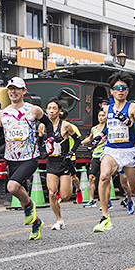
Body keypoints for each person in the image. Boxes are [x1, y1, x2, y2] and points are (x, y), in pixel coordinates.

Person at [0, 77, 56, 240]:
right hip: (11, 159)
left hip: (29, 157)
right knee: (20, 194)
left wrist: (49, 140)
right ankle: (36, 223)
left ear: (24, 91)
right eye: (10, 88)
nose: (13, 91)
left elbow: (48, 124)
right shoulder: (2, 114)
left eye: (17, 89)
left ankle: (30, 208)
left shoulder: (33, 110)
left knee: (12, 187)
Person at [95, 71, 135, 233]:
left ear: (127, 91)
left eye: (124, 88)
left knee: (133, 188)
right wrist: (100, 137)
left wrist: (129, 123)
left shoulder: (133, 108)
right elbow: (108, 127)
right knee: (104, 176)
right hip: (112, 150)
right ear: (111, 91)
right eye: (117, 88)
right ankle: (105, 217)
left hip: (128, 151)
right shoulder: (107, 109)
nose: (121, 90)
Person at [38, 98, 80, 231]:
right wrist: (42, 151)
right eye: (49, 108)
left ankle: (74, 188)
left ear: (59, 111)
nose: (51, 111)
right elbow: (39, 142)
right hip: (51, 163)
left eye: (54, 108)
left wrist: (70, 153)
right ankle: (59, 220)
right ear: (46, 110)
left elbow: (77, 140)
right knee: (51, 193)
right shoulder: (42, 126)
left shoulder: (66, 126)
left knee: (65, 196)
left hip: (64, 163)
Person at [81, 108, 107, 208]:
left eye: (103, 116)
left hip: (105, 156)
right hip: (95, 156)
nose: (101, 118)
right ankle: (91, 200)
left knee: (104, 179)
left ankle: (106, 201)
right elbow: (90, 138)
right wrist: (82, 142)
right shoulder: (94, 129)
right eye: (99, 115)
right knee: (91, 177)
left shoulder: (108, 128)